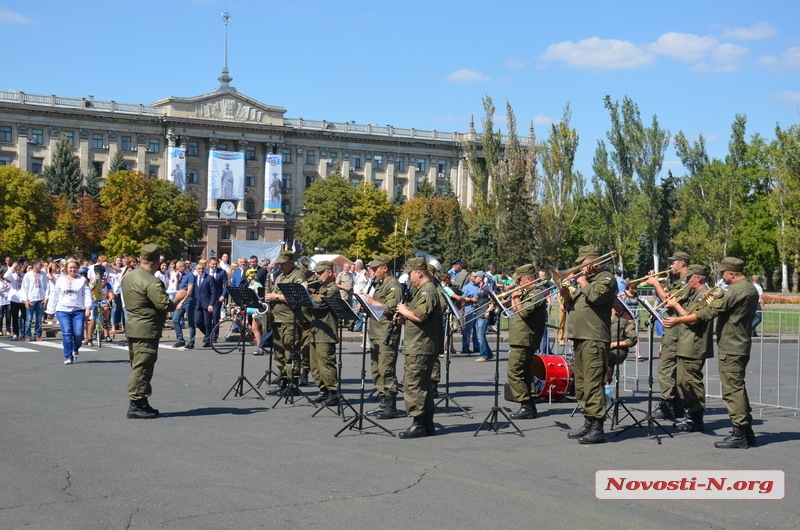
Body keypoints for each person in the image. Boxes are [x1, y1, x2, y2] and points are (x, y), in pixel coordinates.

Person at [664, 257, 759, 448]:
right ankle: (746, 432)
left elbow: (706, 313)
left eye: (723, 273)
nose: (721, 277)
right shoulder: (750, 288)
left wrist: (677, 320)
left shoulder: (733, 291)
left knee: (732, 390)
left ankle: (739, 433)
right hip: (740, 343)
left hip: (731, 345)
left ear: (732, 273)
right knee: (737, 387)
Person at [561, 245, 618, 444]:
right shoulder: (587, 281)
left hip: (594, 338)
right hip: (580, 337)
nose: (579, 268)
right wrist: (565, 292)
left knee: (593, 383)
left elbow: (595, 297)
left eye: (582, 263)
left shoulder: (607, 279)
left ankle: (598, 427)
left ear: (593, 262)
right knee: (582, 383)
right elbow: (569, 306)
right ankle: (588, 421)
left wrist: (582, 281)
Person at [122, 244, 186, 419]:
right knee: (142, 367)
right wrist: (177, 298)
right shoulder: (151, 281)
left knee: (138, 364)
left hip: (134, 325)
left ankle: (142, 401)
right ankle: (136, 404)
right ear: (157, 261)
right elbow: (164, 305)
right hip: (146, 328)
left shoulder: (130, 276)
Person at [394, 256, 443, 439]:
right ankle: (427, 424)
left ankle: (418, 424)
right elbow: (418, 316)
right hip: (419, 344)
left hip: (420, 346)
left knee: (413, 385)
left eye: (410, 273)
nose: (408, 277)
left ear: (419, 272)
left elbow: (421, 316)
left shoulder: (427, 290)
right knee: (423, 386)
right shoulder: (422, 290)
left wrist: (405, 311)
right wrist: (404, 317)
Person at [661, 264, 713, 433]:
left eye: (690, 278)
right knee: (682, 381)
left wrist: (676, 306)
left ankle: (696, 418)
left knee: (691, 382)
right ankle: (690, 414)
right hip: (685, 343)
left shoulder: (706, 295)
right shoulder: (693, 293)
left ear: (698, 278)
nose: (687, 281)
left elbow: (693, 319)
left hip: (695, 345)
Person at [646, 251, 691, 420]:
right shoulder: (678, 281)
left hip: (677, 332)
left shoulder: (687, 282)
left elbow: (668, 299)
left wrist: (656, 284)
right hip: (672, 331)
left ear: (682, 263)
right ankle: (676, 406)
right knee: (671, 371)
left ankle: (668, 404)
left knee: (665, 369)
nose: (671, 265)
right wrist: (657, 285)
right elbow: (667, 298)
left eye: (673, 262)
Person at [362, 256, 403, 419]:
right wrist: (366, 306)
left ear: (384, 268)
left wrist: (371, 301)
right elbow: (377, 309)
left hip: (386, 333)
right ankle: (383, 401)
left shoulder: (393, 285)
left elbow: (392, 308)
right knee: (376, 369)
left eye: (375, 268)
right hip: (376, 332)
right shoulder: (380, 286)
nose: (372, 272)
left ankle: (391, 405)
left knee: (386, 369)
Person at [505, 264, 548, 419]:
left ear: (528, 278)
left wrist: (515, 295)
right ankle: (530, 405)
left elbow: (523, 312)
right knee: (525, 372)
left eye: (519, 279)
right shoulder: (529, 292)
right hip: (521, 338)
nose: (517, 282)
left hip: (525, 339)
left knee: (514, 371)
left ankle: (524, 403)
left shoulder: (536, 292)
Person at [264, 250, 307, 394]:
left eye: (282, 264)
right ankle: (283, 380)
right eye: (279, 264)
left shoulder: (298, 276)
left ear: (290, 262)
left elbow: (298, 296)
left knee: (291, 351)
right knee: (279, 352)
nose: (280, 266)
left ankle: (293, 382)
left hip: (290, 320)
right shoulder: (281, 276)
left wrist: (276, 297)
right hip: (277, 320)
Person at [307, 261, 341, 406]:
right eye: (318, 273)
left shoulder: (332, 289)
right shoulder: (322, 288)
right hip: (316, 330)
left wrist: (306, 292)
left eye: (321, 273)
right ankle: (323, 390)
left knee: (326, 363)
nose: (318, 276)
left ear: (330, 272)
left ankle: (333, 392)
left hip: (326, 331)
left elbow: (318, 303)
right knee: (315, 364)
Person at [47, 259, 92, 364]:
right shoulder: (61, 280)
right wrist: (50, 310)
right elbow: (54, 295)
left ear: (78, 268)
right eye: (71, 267)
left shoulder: (82, 280)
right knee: (67, 333)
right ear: (66, 268)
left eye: (75, 267)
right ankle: (68, 356)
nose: (73, 269)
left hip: (78, 310)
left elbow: (87, 294)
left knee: (78, 333)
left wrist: (88, 307)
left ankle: (75, 348)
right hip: (63, 310)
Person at [607, 300, 638, 384]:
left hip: (618, 349)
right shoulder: (600, 317)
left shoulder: (624, 319)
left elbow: (632, 339)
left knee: (607, 358)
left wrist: (614, 344)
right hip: (602, 347)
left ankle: (606, 383)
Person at [193, 260, 220, 348]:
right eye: (199, 269)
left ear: (205, 269)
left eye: (202, 268)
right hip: (198, 304)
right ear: (196, 269)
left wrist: (211, 304)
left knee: (207, 322)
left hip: (207, 303)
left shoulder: (209, 278)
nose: (201, 270)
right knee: (197, 321)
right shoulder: (194, 278)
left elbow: (214, 292)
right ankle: (209, 334)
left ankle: (208, 339)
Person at [20, 259, 49, 341]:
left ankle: (37, 335)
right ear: (35, 265)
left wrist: (46, 298)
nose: (41, 266)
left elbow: (47, 287)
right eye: (39, 264)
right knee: (29, 319)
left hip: (40, 299)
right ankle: (27, 335)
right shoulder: (28, 275)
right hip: (31, 299)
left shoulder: (43, 274)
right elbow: (24, 288)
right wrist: (25, 300)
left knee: (39, 319)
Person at [171, 261, 196, 349]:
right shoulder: (181, 275)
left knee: (190, 322)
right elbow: (178, 288)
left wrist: (182, 302)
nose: (177, 270)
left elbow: (189, 291)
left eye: (178, 268)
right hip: (181, 300)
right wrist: (177, 278)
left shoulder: (190, 276)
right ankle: (180, 340)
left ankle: (191, 342)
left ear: (183, 267)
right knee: (175, 319)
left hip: (189, 301)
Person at [472, 271, 493, 362]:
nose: (474, 278)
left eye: (476, 277)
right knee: (480, 335)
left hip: (484, 313)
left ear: (480, 277)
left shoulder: (487, 288)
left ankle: (484, 355)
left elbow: (494, 301)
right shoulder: (479, 288)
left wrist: (488, 311)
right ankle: (489, 354)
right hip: (479, 312)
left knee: (480, 336)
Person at [459, 272, 481, 355]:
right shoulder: (467, 287)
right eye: (474, 276)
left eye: (476, 276)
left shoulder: (480, 286)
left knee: (477, 330)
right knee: (467, 330)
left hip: (478, 310)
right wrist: (471, 299)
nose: (475, 278)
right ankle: (465, 347)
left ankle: (477, 347)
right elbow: (462, 298)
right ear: (470, 278)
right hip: (470, 310)